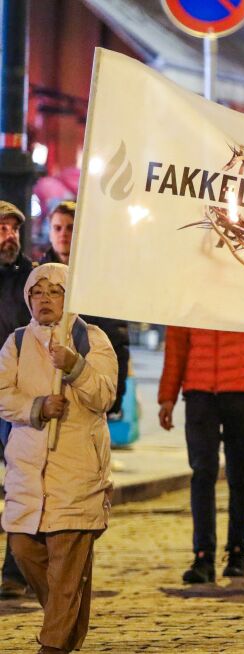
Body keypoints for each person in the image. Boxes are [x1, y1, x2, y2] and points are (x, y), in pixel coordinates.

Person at [0, 262, 118, 653]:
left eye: (53, 291)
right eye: (37, 292)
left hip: (77, 470)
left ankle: (51, 646)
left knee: (67, 564)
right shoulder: (16, 343)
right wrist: (35, 406)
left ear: (69, 298)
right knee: (22, 548)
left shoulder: (91, 338)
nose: (44, 299)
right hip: (28, 474)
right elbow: (2, 394)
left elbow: (103, 395)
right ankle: (66, 629)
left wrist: (74, 367)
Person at [158, 327, 244, 583]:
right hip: (200, 390)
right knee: (203, 472)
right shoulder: (192, 290)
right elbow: (177, 341)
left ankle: (237, 552)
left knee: (240, 474)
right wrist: (167, 397)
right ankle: (203, 555)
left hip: (243, 387)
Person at [37, 202, 130, 418]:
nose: (64, 234)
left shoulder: (100, 280)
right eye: (58, 228)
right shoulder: (35, 279)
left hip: (87, 386)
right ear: (49, 232)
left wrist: (115, 393)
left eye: (71, 227)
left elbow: (116, 340)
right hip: (44, 392)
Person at [0, 200, 34, 600]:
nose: (9, 236)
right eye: (2, 229)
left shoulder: (30, 277)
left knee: (18, 485)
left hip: (16, 397)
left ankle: (15, 569)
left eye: (13, 229)